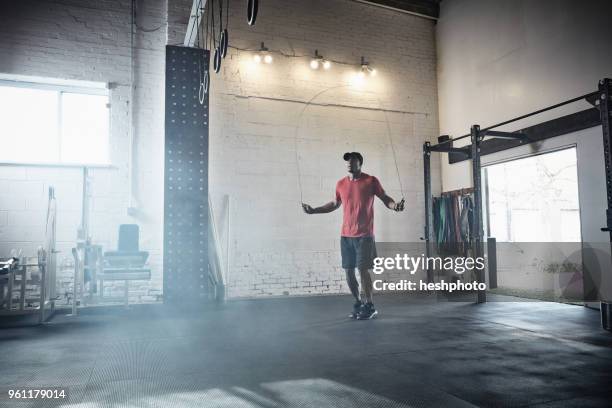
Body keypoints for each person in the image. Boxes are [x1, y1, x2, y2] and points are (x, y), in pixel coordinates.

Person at [302, 152, 405, 319]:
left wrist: (395, 206)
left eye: (353, 160)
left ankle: (370, 305)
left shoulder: (371, 181)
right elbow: (335, 204)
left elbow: (385, 198)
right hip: (346, 235)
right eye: (347, 161)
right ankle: (358, 302)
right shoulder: (340, 184)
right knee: (348, 272)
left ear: (360, 163)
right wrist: (314, 210)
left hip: (365, 235)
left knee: (363, 270)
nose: (349, 163)